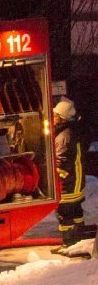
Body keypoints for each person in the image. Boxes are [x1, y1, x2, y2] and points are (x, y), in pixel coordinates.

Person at [54, 96, 89, 256]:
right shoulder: (71, 132)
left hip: (68, 183)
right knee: (76, 211)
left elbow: (61, 161)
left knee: (65, 213)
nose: (52, 118)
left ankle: (68, 244)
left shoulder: (63, 136)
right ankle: (80, 241)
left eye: (55, 115)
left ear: (62, 117)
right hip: (77, 181)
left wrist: (55, 175)